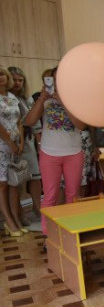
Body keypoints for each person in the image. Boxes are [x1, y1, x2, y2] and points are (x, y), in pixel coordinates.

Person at [24, 66, 86, 235]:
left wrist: (64, 101)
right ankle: (48, 235)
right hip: (49, 153)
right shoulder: (43, 98)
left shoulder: (76, 98)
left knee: (72, 195)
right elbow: (29, 121)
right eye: (54, 79)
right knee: (50, 196)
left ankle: (72, 232)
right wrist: (42, 99)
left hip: (73, 153)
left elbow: (81, 125)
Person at [8, 66, 42, 225]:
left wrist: (39, 144)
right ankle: (19, 212)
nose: (17, 83)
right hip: (11, 143)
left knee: (35, 177)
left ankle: (37, 207)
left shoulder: (27, 99)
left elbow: (35, 124)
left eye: (20, 80)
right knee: (17, 180)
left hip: (28, 143)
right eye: (14, 80)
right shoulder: (6, 99)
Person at [0, 66, 26, 237]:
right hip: (2, 146)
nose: (0, 77)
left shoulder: (12, 97)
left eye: (2, 74)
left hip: (15, 146)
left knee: (14, 183)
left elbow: (18, 122)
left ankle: (16, 220)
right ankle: (8, 222)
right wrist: (9, 142)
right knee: (2, 184)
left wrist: (21, 141)